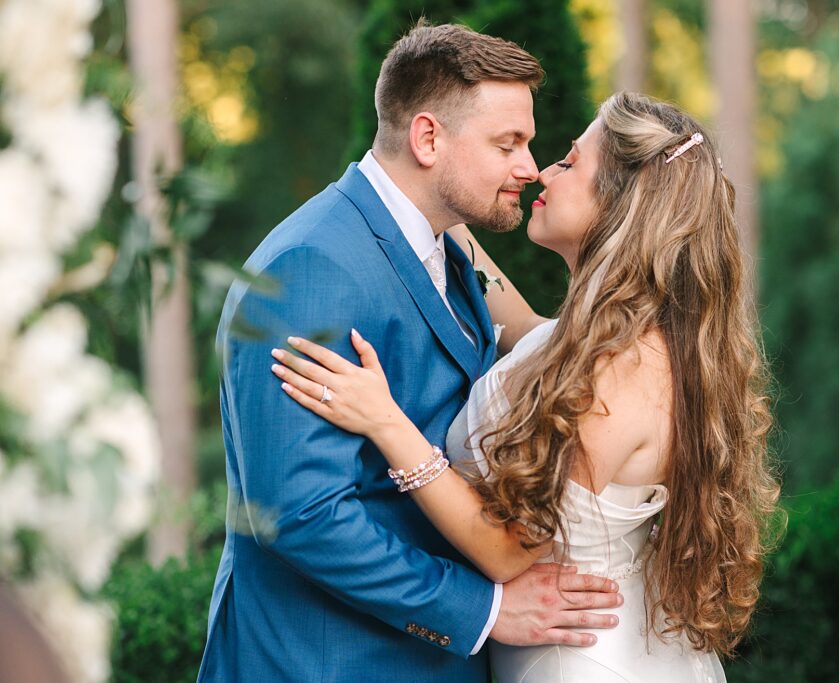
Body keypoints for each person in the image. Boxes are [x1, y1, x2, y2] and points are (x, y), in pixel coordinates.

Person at [273, 91, 783, 682]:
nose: (542, 171)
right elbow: (508, 308)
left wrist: (387, 424)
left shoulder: (625, 368)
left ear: (620, 207)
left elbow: (507, 548)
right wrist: (419, 188)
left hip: (581, 661)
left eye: (569, 162)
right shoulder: (592, 340)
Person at [197, 22, 623, 683]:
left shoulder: (445, 245)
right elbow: (300, 512)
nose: (529, 167)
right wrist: (482, 609)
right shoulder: (312, 266)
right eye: (507, 143)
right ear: (428, 138)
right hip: (325, 662)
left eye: (530, 143)